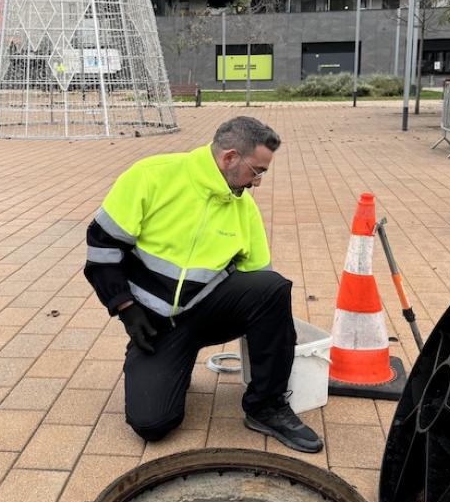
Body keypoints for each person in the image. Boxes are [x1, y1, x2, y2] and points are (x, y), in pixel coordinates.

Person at [83, 116, 323, 453]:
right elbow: (101, 247)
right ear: (229, 158)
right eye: (257, 171)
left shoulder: (244, 208)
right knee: (152, 424)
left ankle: (265, 406)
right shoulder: (151, 176)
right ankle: (171, 364)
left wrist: (269, 350)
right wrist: (125, 307)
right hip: (154, 323)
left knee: (272, 288)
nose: (257, 183)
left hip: (210, 312)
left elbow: (260, 284)